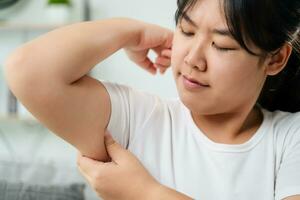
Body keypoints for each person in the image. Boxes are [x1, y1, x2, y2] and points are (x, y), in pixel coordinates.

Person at [4, 0, 300, 199]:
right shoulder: (140, 119)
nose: (193, 59)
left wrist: (144, 192)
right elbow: (27, 71)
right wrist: (129, 32)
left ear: (275, 59)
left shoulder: (290, 139)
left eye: (222, 46)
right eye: (186, 30)